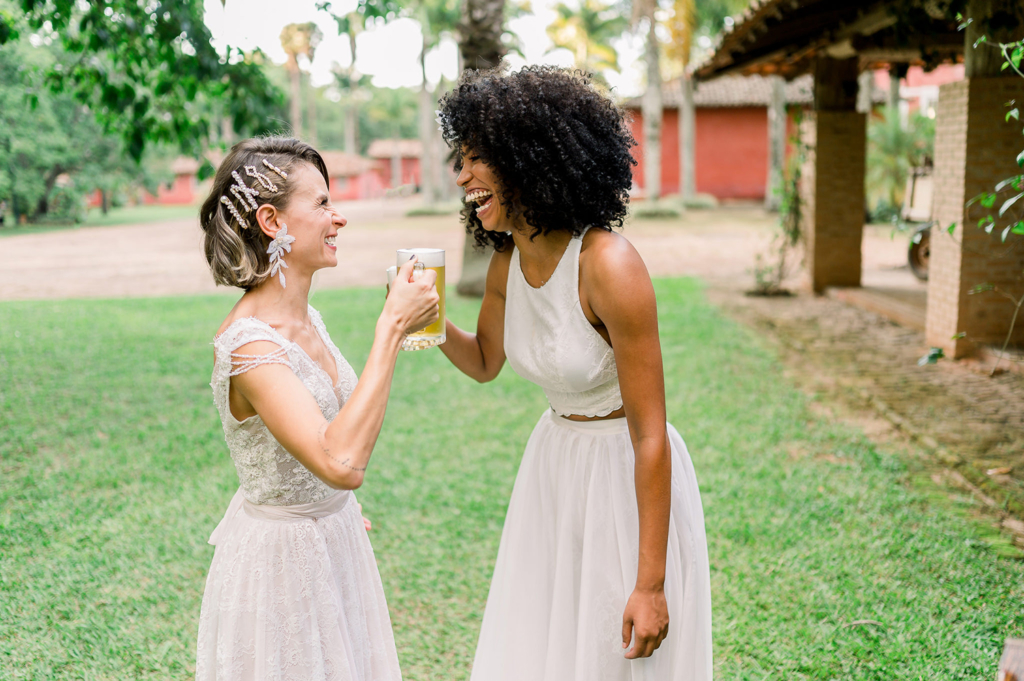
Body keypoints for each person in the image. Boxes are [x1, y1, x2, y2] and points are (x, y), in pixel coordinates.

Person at [435, 66, 713, 680]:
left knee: (605, 654)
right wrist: (425, 323)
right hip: (553, 468)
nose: (462, 177)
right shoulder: (506, 263)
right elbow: (485, 361)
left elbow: (650, 434)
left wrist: (651, 584)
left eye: (478, 159)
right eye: (460, 160)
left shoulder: (609, 264)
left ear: (529, 161)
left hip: (622, 474)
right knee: (544, 649)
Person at [194, 137, 439, 681]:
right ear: (272, 220)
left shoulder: (311, 322)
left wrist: (331, 511)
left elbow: (329, 447)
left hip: (335, 546)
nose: (339, 218)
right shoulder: (250, 347)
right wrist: (391, 328)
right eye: (323, 204)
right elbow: (341, 462)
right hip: (282, 570)